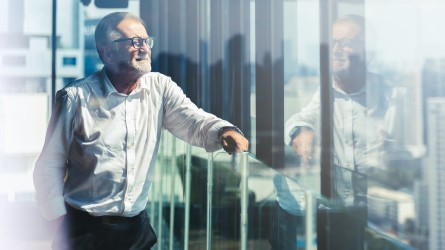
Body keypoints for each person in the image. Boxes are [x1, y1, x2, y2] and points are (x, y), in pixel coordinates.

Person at [33, 11, 248, 250]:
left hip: (136, 229)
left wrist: (223, 130)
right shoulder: (75, 97)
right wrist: (58, 221)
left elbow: (193, 121)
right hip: (84, 230)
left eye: (146, 41)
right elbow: (49, 165)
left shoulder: (160, 87)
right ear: (107, 52)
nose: (143, 48)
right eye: (134, 42)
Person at [271, 15, 401, 250]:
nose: (336, 50)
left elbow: (392, 157)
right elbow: (299, 119)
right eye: (333, 43)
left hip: (374, 215)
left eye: (346, 42)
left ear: (367, 52)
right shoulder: (323, 89)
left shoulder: (389, 95)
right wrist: (302, 131)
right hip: (323, 211)